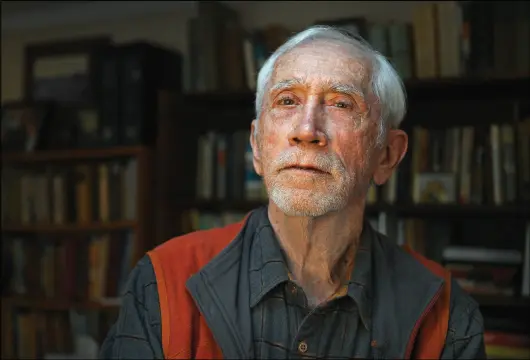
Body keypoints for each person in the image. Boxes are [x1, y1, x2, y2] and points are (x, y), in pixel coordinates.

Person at [100, 26, 486, 359]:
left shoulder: (445, 314)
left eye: (340, 103)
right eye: (287, 101)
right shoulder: (164, 281)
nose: (306, 129)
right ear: (257, 146)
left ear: (386, 155)